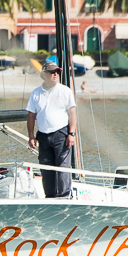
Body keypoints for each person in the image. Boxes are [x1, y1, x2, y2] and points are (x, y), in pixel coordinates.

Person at [25, 56, 77, 198]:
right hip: (43, 135)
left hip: (61, 134)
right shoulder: (36, 93)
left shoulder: (65, 91)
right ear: (44, 75)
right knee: (46, 168)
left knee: (63, 167)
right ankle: (50, 196)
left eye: (57, 72)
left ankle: (65, 196)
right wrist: (31, 136)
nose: (55, 74)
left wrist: (71, 134)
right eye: (52, 72)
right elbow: (31, 116)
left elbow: (72, 113)